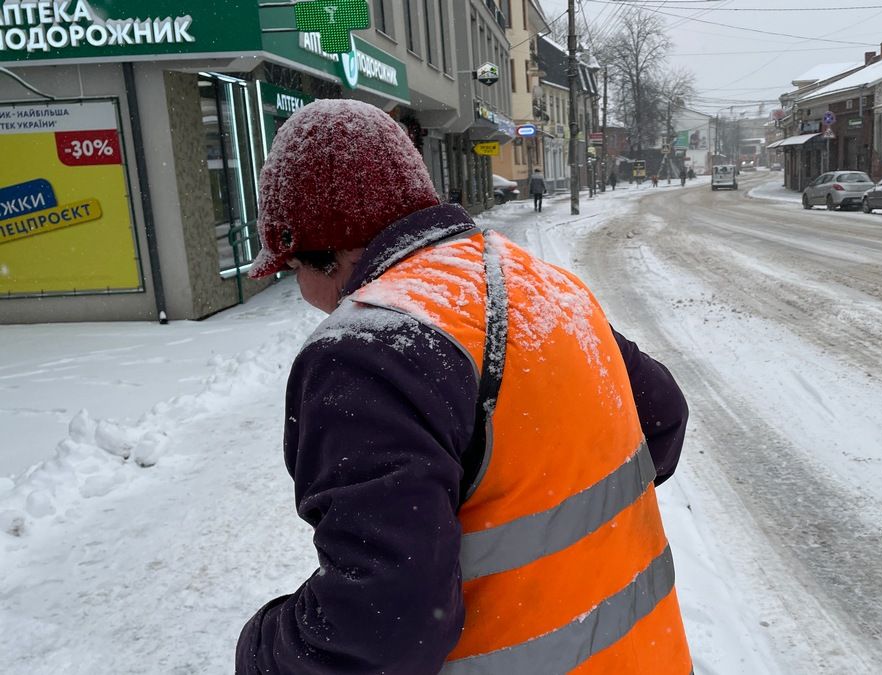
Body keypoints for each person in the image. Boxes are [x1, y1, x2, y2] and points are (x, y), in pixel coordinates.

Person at [236, 100, 692, 674]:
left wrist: (263, 650)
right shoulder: (540, 285)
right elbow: (663, 420)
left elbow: (382, 629)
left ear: (323, 250)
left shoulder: (367, 350)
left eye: (291, 268)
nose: (302, 293)